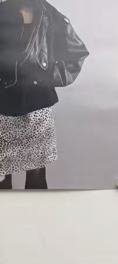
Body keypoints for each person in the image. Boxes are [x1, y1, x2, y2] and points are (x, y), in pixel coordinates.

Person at [0, 0, 87, 190]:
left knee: (36, 180)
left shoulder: (49, 14)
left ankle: (36, 211)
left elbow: (76, 52)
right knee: (2, 180)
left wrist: (48, 75)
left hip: (38, 107)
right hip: (3, 108)